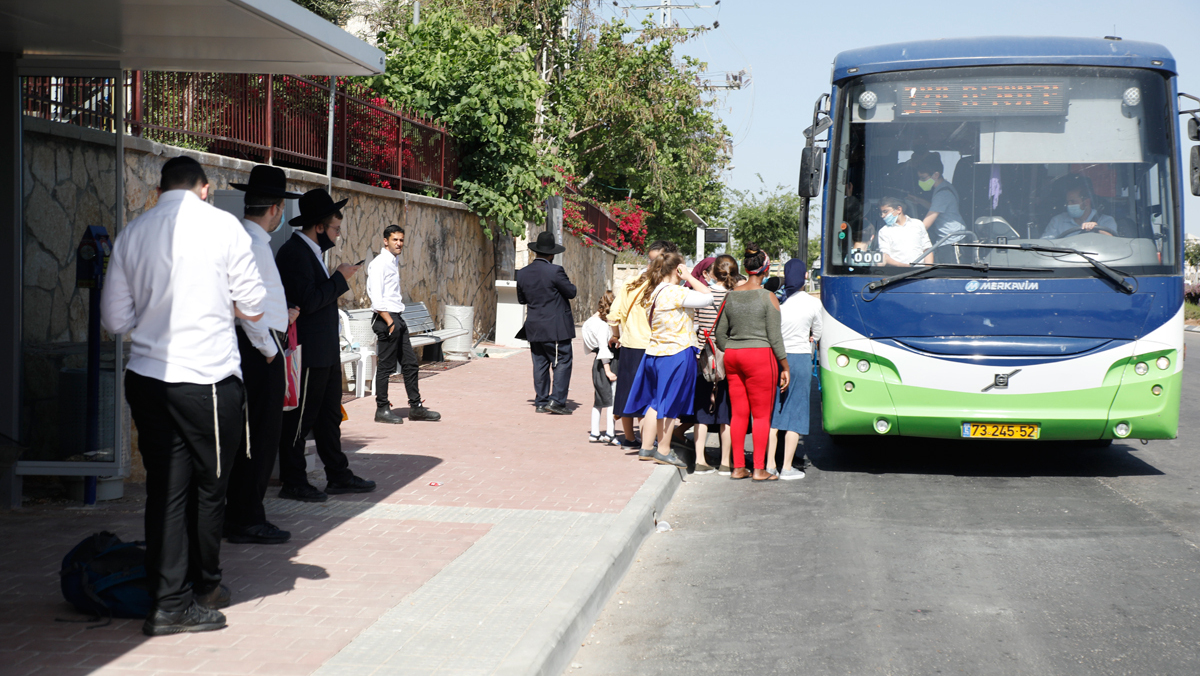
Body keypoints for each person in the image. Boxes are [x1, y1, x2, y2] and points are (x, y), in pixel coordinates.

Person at [101, 156, 267, 635]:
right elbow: (254, 305)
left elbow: (114, 320)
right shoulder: (225, 228)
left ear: (160, 188)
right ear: (205, 188)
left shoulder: (134, 232)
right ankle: (202, 587)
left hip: (149, 377)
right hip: (207, 379)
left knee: (166, 490)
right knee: (209, 489)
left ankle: (167, 600)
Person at [275, 189, 375, 503]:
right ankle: (293, 479)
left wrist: (335, 278)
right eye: (334, 229)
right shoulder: (294, 253)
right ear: (318, 227)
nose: (337, 235)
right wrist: (340, 279)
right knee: (299, 419)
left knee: (330, 416)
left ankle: (338, 474)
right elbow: (308, 301)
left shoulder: (313, 253)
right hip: (307, 352)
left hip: (326, 351)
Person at [223, 165, 301, 546]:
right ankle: (246, 517)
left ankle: (243, 513)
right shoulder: (251, 244)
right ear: (275, 208)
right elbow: (244, 302)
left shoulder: (249, 239)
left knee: (258, 436)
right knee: (260, 437)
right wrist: (270, 349)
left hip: (261, 344)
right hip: (258, 351)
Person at [626, 252, 713, 467]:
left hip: (654, 352)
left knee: (655, 402)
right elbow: (708, 297)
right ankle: (663, 450)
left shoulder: (653, 292)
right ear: (677, 269)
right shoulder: (675, 292)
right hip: (676, 352)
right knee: (669, 404)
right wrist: (691, 277)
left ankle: (647, 447)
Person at [715, 244, 789, 482]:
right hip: (760, 357)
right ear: (765, 269)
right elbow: (775, 337)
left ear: (746, 268)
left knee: (738, 414)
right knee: (761, 415)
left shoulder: (731, 296)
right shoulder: (768, 297)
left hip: (734, 357)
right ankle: (759, 469)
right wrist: (785, 366)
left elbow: (719, 334)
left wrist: (734, 348)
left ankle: (738, 467)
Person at [366, 224, 441, 424]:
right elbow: (375, 296)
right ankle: (381, 409)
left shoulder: (393, 261)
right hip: (386, 319)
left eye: (401, 240)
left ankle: (415, 408)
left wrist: (396, 320)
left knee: (410, 364)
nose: (399, 243)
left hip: (397, 317)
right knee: (386, 367)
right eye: (395, 240)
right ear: (385, 241)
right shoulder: (380, 263)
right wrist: (390, 321)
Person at [607, 240, 678, 448]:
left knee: (627, 392)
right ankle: (649, 440)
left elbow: (613, 315)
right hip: (653, 346)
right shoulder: (663, 286)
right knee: (649, 396)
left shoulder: (632, 281)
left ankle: (629, 438)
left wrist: (616, 335)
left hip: (629, 344)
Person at [765, 259, 823, 480]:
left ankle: (769, 464)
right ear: (805, 276)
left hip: (775, 358)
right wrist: (811, 338)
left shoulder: (776, 300)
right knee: (796, 413)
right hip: (799, 359)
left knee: (774, 412)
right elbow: (818, 332)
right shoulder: (812, 303)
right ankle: (787, 467)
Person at [516, 231, 577, 415]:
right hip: (555, 327)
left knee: (540, 364)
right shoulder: (555, 271)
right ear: (552, 254)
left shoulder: (523, 273)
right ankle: (556, 401)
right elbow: (571, 292)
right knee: (562, 362)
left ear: (536, 252)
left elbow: (521, 299)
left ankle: (541, 402)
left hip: (534, 326)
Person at [686, 256, 736, 474]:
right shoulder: (734, 297)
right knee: (726, 412)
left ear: (712, 272)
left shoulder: (701, 295)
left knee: (702, 410)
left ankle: (699, 460)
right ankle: (726, 461)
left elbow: (694, 325)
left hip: (703, 358)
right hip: (726, 359)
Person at [912, 154, 966, 263]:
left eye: (923, 178)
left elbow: (926, 224)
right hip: (947, 239)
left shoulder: (943, 194)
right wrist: (918, 200)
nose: (921, 181)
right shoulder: (944, 187)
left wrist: (909, 235)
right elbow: (936, 207)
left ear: (936, 174)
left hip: (952, 240)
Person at [582, 291, 619, 443]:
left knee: (599, 399)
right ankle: (610, 433)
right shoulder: (603, 325)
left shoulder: (588, 322)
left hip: (596, 363)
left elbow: (591, 346)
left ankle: (595, 433)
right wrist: (608, 370)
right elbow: (604, 349)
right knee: (611, 399)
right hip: (608, 362)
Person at [1043, 180, 1117, 239]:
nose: (1069, 205)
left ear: (1086, 202)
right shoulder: (1057, 221)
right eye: (1067, 202)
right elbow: (1045, 244)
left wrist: (1097, 229)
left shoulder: (1106, 220)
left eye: (1073, 201)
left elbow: (1114, 243)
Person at [877, 197, 933, 267]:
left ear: (898, 209)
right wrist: (906, 267)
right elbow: (885, 256)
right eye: (881, 213)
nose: (883, 215)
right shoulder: (884, 231)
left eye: (885, 211)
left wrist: (928, 270)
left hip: (921, 273)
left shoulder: (918, 224)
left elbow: (927, 249)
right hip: (897, 274)